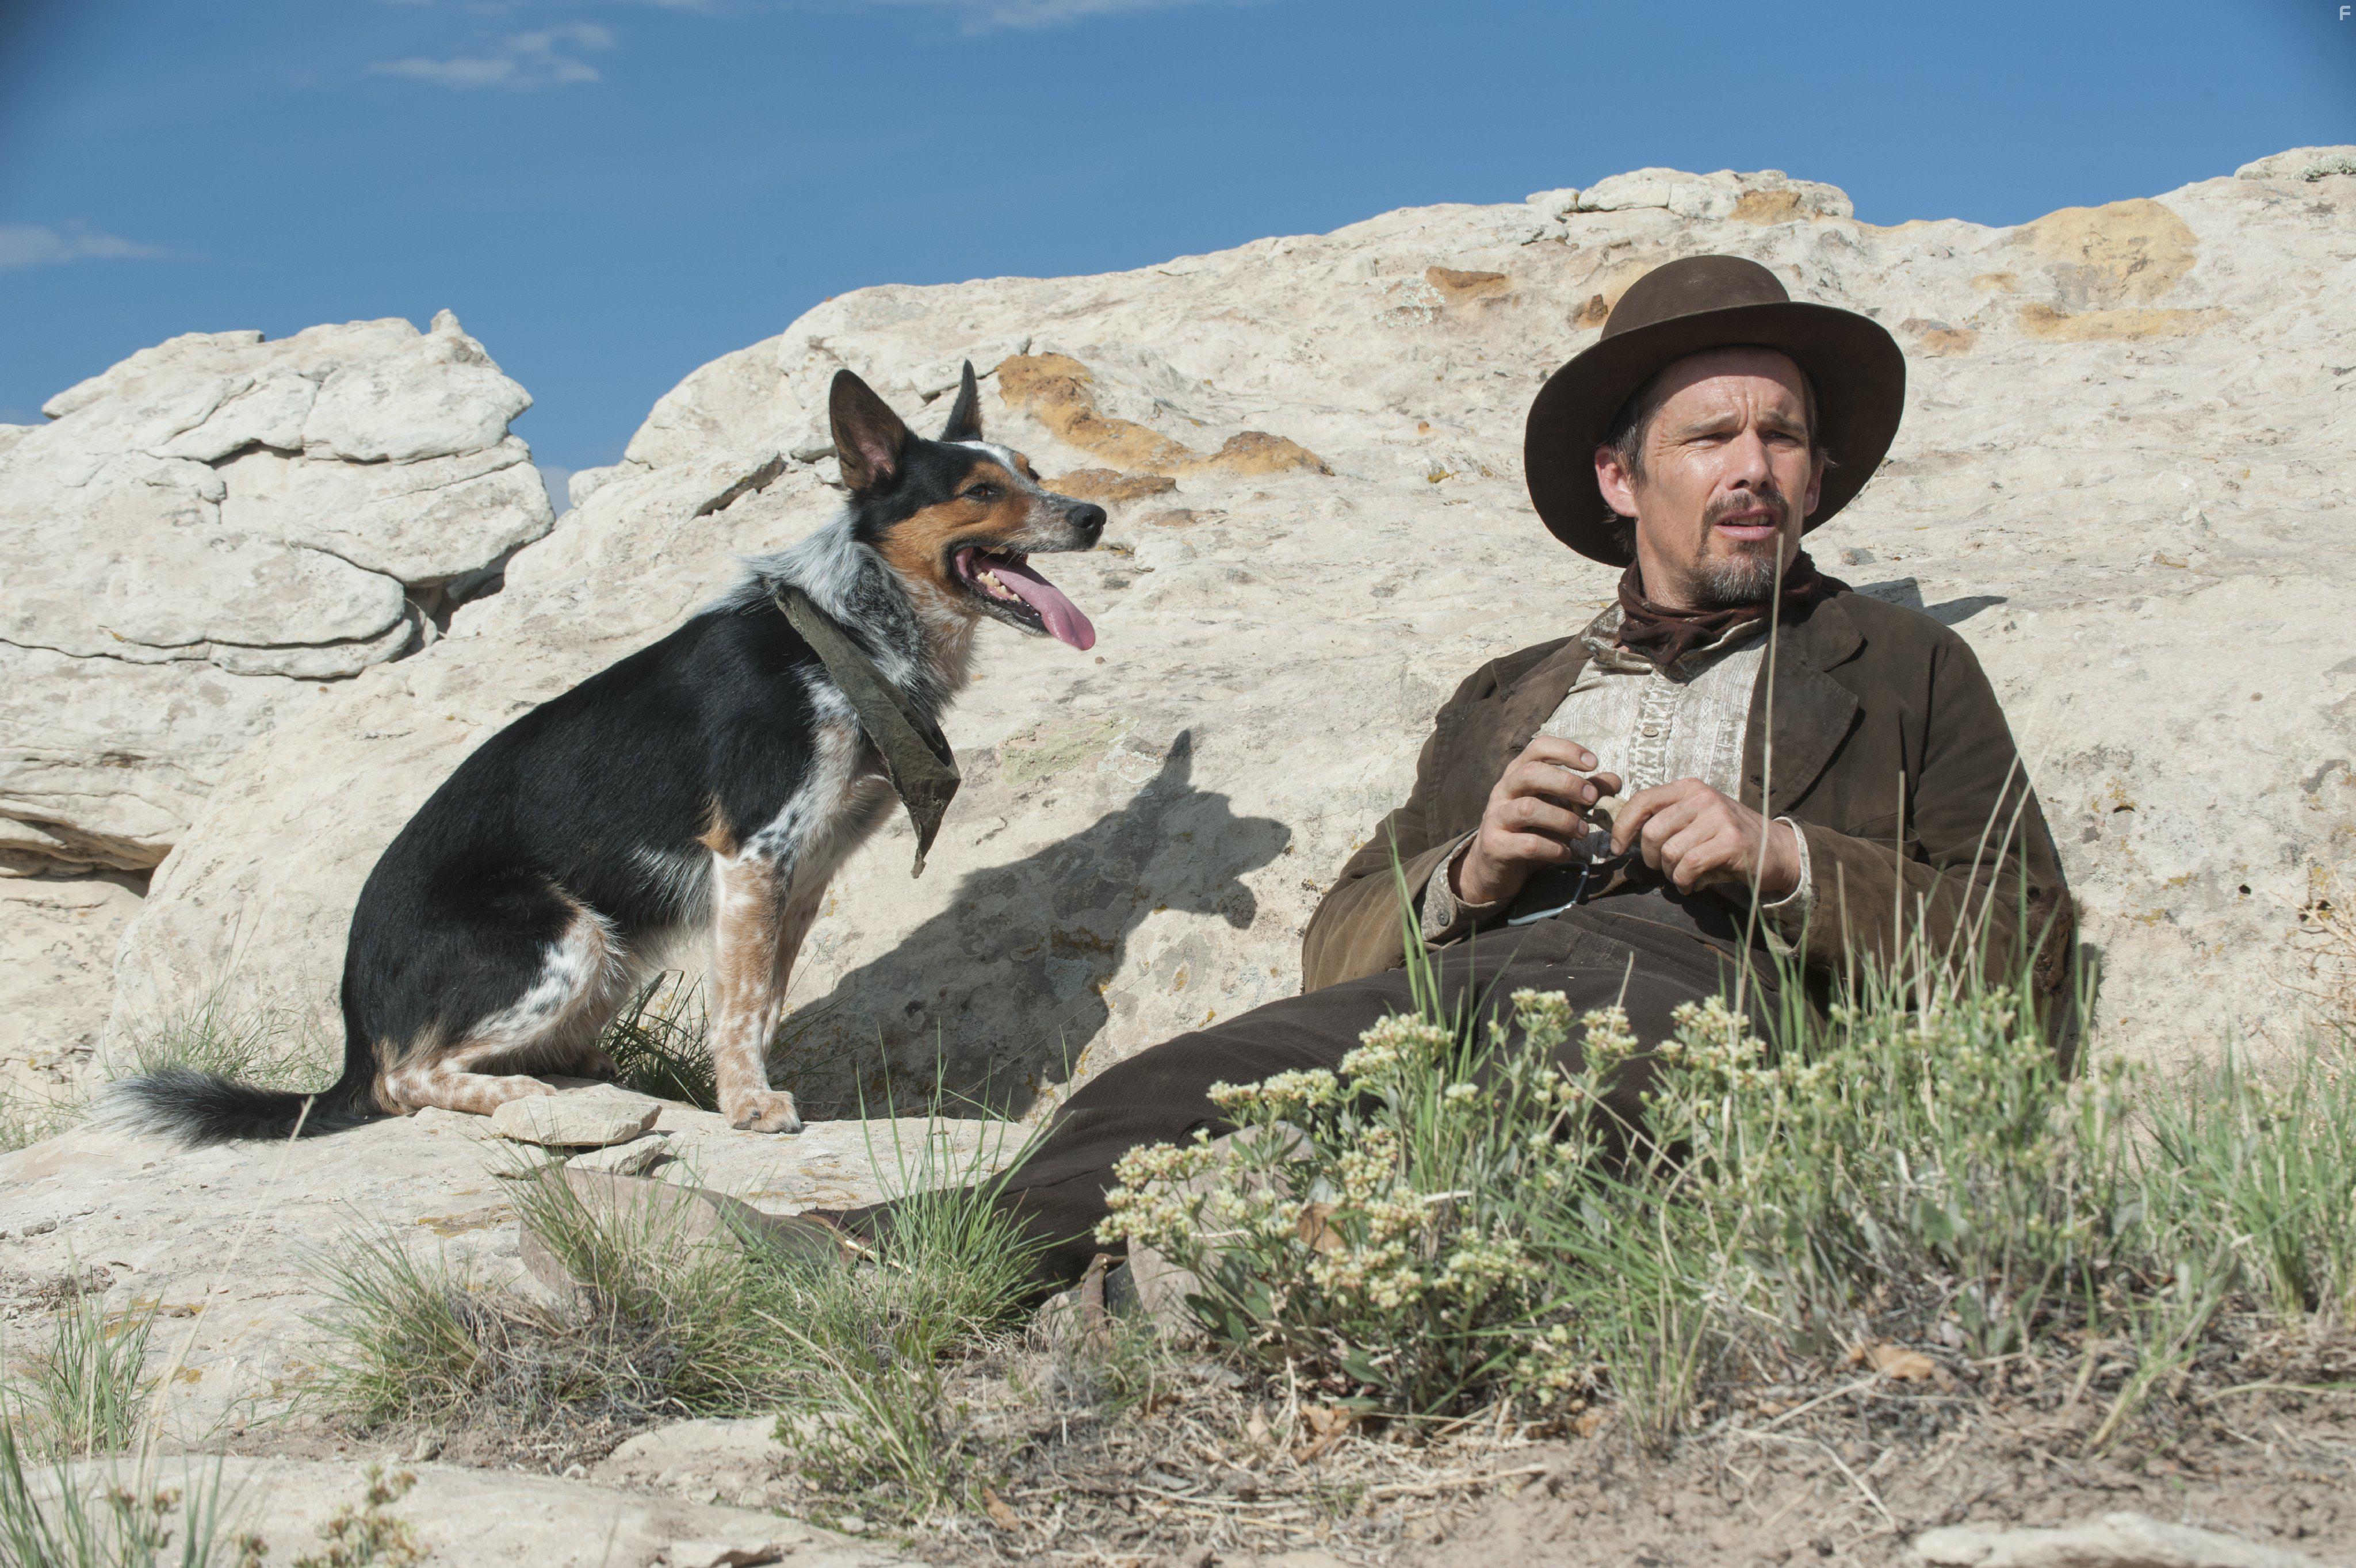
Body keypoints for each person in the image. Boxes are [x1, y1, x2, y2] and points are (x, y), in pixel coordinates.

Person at [835, 254, 2076, 1292]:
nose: (1752, 466)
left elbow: (2026, 945)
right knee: (1166, 1088)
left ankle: (1190, 1287)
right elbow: (1337, 938)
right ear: (1620, 477)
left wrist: (1783, 859)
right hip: (1461, 988)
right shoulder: (1506, 694)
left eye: (1782, 436)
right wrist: (1470, 871)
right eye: (1709, 437)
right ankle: (882, 1263)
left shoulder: (1903, 664)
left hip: (1709, 1005)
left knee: (1497, 1118)